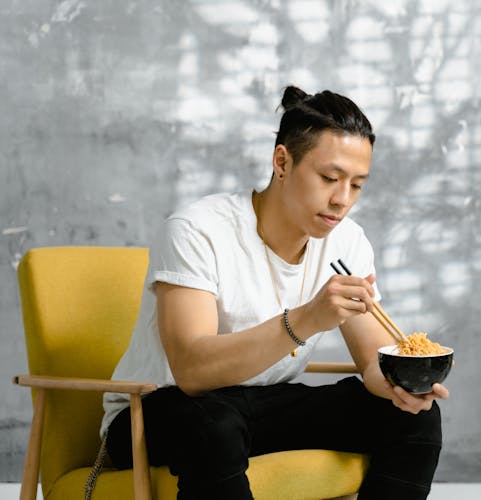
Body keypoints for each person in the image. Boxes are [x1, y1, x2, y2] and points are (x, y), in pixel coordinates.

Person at [100, 85, 450, 500]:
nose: (342, 200)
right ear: (282, 161)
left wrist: (404, 386)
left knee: (414, 419)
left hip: (263, 406)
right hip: (158, 411)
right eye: (329, 178)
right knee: (212, 425)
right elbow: (191, 373)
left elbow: (373, 364)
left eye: (357, 185)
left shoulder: (347, 243)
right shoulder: (197, 230)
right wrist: (305, 320)